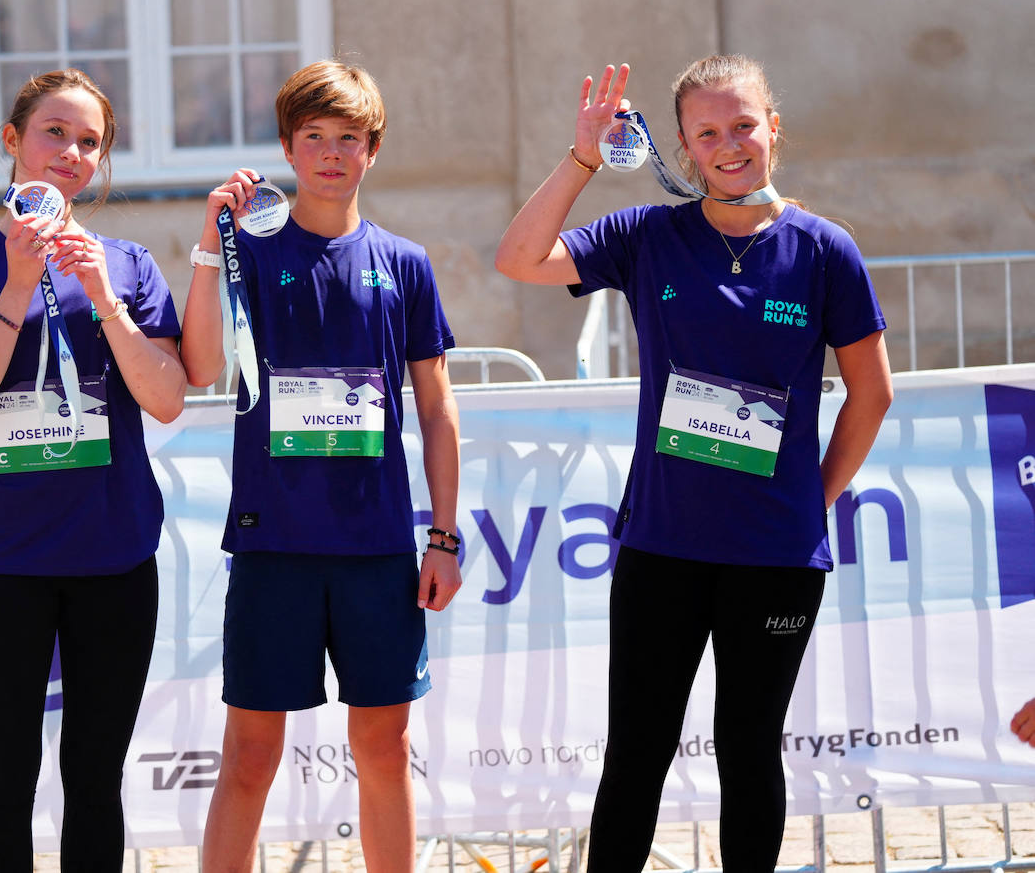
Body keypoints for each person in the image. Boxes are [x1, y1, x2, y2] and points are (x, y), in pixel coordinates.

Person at [494, 56, 893, 869]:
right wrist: (581, 158)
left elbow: (871, 394)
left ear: (773, 128)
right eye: (707, 133)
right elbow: (519, 259)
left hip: (773, 558)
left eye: (744, 124)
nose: (730, 144)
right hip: (662, 550)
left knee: (749, 750)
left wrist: (808, 501)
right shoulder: (648, 238)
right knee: (637, 750)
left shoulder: (824, 252)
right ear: (683, 148)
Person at [180, 59, 462, 873]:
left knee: (383, 748)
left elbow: (439, 410)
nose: (332, 154)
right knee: (251, 755)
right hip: (274, 548)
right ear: (287, 147)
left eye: (349, 138)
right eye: (315, 138)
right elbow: (201, 366)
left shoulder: (404, 263)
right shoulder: (248, 252)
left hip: (377, 551)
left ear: (372, 150)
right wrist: (210, 240)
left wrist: (441, 536)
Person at [0, 68, 186, 871]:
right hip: (3, 565)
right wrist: (20, 283)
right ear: (13, 141)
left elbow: (166, 397)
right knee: (5, 780)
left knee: (95, 782)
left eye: (89, 141)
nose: (71, 152)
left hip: (115, 561)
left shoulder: (130, 264)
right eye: (53, 133)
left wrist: (103, 296)